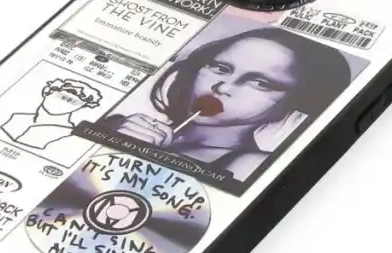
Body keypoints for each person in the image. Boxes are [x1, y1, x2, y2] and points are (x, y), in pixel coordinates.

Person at [102, 26, 351, 181]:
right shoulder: (118, 125)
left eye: (260, 83)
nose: (223, 87)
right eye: (221, 68)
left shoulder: (250, 166)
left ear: (296, 101)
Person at [2, 77, 102, 150]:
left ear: (82, 106)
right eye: (61, 96)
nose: (63, 103)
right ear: (47, 92)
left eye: (73, 101)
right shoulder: (16, 118)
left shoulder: (67, 135)